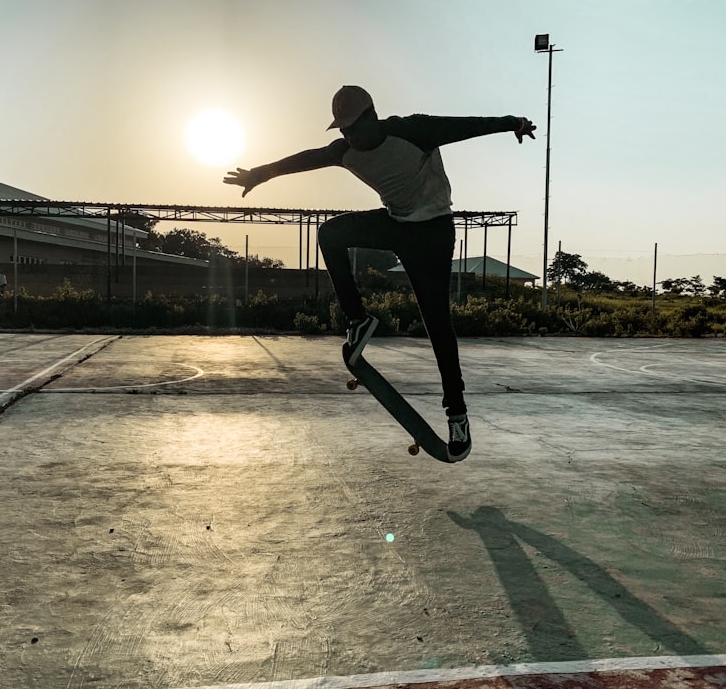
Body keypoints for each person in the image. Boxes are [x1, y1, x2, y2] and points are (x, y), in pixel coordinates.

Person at [223, 85, 536, 462]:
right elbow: (307, 158)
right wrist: (260, 173)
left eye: (354, 128)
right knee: (330, 234)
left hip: (434, 233)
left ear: (372, 116)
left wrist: (513, 123)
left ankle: (457, 414)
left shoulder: (414, 130)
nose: (349, 137)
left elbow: (469, 125)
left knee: (436, 322)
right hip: (396, 224)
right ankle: (359, 319)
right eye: (342, 131)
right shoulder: (345, 151)